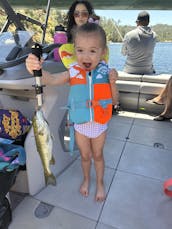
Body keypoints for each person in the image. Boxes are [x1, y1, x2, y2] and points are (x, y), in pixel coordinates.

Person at [26, 23, 118, 202]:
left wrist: (113, 83)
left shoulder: (106, 73)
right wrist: (36, 69)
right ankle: (86, 179)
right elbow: (51, 79)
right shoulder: (73, 71)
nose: (86, 56)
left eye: (92, 51)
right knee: (84, 156)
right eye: (80, 50)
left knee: (98, 156)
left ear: (103, 52)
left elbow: (114, 101)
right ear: (75, 51)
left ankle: (99, 183)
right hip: (81, 126)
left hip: (99, 125)